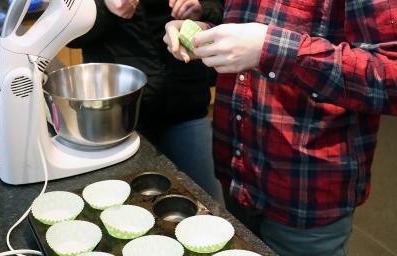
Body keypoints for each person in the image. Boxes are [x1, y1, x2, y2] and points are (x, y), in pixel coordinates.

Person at [164, 1, 397, 255]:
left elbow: (390, 78)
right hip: (237, 172)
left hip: (306, 190)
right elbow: (245, 34)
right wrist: (204, 34)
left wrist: (270, 48)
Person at [68, 0, 225, 201]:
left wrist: (201, 8)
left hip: (186, 104)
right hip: (119, 117)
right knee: (125, 208)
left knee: (210, 206)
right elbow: (68, 32)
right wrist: (104, 9)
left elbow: (226, 11)